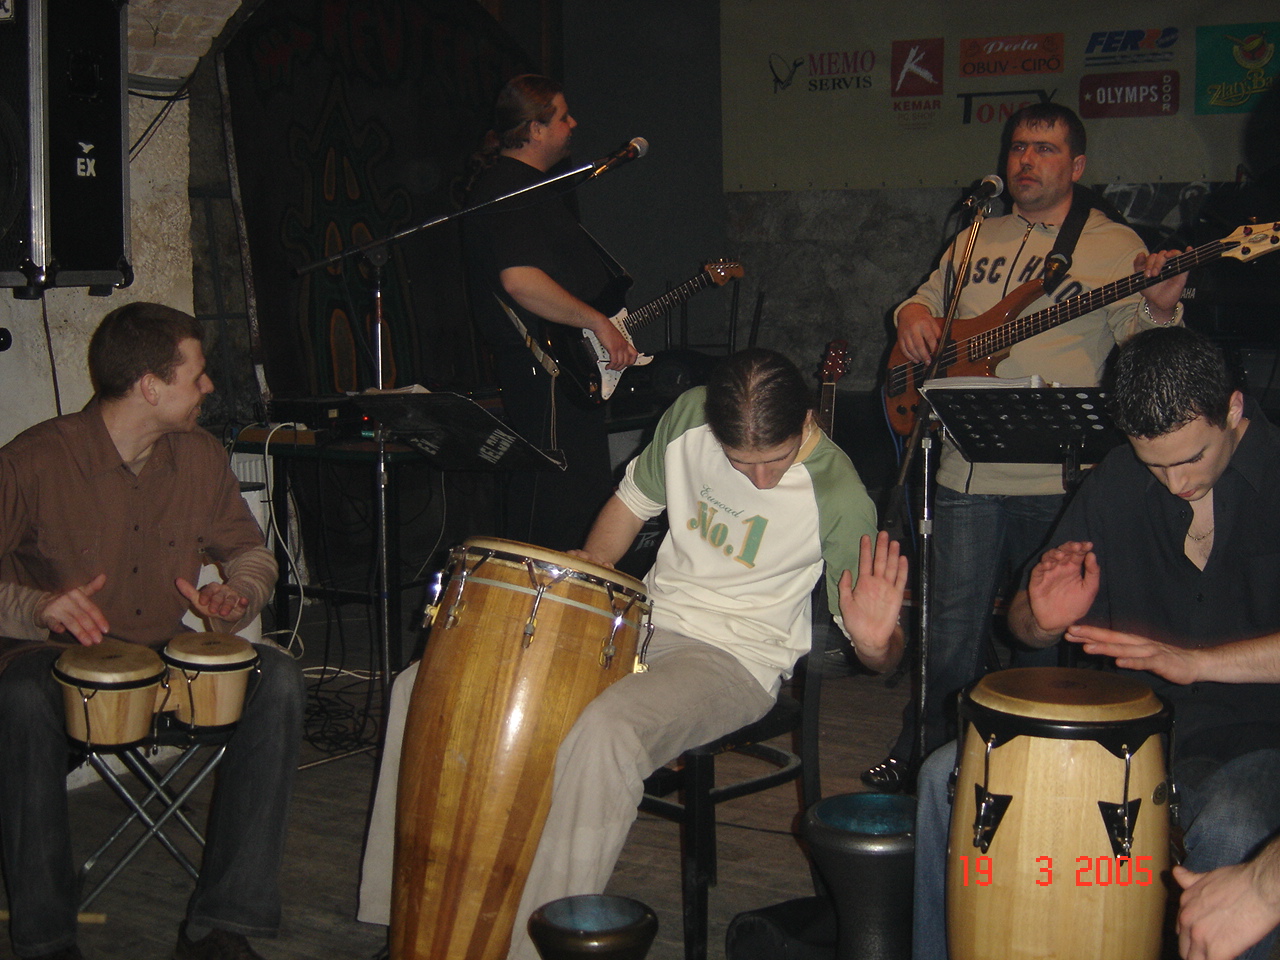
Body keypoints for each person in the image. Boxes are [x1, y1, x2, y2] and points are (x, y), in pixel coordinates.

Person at [356, 348, 908, 958]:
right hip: (642, 623)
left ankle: (539, 948)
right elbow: (630, 505)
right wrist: (591, 574)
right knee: (423, 684)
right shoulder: (689, 415)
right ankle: (405, 918)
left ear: (806, 420)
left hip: (736, 658)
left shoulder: (840, 493)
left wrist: (876, 644)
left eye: (774, 462)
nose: (759, 480)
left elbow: (882, 658)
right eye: (739, 462)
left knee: (607, 734)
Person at [912, 326, 1280, 959]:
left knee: (1235, 827)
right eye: (1155, 463)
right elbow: (1023, 625)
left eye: (1191, 458)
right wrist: (1042, 617)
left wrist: (1193, 663)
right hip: (1120, 735)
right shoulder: (1116, 479)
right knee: (945, 776)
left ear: (1234, 409)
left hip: (1255, 737)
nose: (1175, 482)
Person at [864, 102, 1189, 789]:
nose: (1027, 160)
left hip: (1058, 480)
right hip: (963, 474)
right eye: (1018, 147)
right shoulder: (974, 234)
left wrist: (1160, 306)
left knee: (1045, 638)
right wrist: (913, 315)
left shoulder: (1110, 244)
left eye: (1045, 149)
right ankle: (929, 759)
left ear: (1077, 165)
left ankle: (1037, 773)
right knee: (949, 637)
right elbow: (923, 300)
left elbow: (1144, 347)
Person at [0, 302, 305, 960]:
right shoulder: (32, 461)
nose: (208, 386)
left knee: (276, 676)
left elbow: (250, 554)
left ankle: (220, 926)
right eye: (197, 374)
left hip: (160, 658)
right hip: (51, 661)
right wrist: (38, 606)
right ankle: (46, 939)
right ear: (149, 386)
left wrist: (237, 593)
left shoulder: (198, 457)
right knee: (19, 697)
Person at [462, 74, 639, 552]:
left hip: (566, 367)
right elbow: (520, 281)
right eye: (563, 116)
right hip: (545, 371)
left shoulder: (537, 187)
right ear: (535, 129)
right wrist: (597, 322)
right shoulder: (507, 187)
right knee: (557, 506)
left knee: (576, 499)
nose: (573, 124)